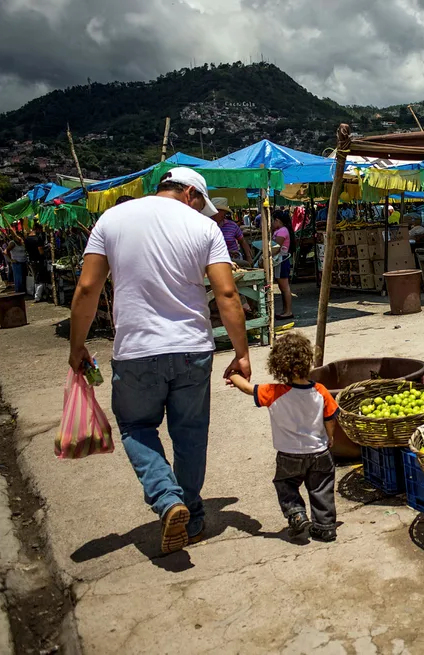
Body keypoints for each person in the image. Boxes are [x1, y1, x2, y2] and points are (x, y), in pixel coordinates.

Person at [68, 167, 250, 554]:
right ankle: (193, 516)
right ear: (189, 193)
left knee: (136, 426)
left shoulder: (112, 218)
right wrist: (242, 354)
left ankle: (168, 500)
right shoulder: (204, 229)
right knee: (190, 433)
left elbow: (87, 287)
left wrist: (77, 346)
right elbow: (227, 294)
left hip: (135, 351)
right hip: (191, 348)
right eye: (200, 202)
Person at [227, 332, 339, 542]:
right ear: (309, 361)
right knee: (322, 488)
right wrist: (330, 437)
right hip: (319, 451)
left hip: (289, 454)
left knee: (285, 485)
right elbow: (331, 418)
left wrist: (233, 374)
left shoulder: (273, 391)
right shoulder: (321, 391)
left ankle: (296, 514)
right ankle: (325, 528)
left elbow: (246, 388)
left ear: (278, 365)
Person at [210, 198, 253, 266]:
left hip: (234, 258)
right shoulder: (207, 226)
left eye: (224, 212)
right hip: (215, 260)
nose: (224, 214)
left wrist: (249, 257)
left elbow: (242, 241)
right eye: (222, 211)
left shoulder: (232, 225)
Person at [272, 211, 294, 319]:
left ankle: (288, 311)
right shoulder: (281, 230)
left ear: (277, 220)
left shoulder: (282, 231)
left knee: (285, 287)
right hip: (280, 260)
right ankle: (285, 310)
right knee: (282, 287)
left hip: (281, 260)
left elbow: (275, 248)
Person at [25, 224, 49, 302]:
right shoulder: (38, 238)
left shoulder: (27, 239)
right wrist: (46, 250)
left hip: (31, 260)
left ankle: (38, 295)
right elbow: (40, 251)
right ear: (38, 229)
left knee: (36, 277)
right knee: (40, 277)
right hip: (38, 260)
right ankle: (38, 296)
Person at [6, 230, 28, 295]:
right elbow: (6, 251)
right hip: (17, 262)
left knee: (24, 277)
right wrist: (11, 260)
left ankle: (24, 290)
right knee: (19, 278)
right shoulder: (12, 243)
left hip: (24, 261)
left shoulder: (22, 243)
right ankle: (19, 292)